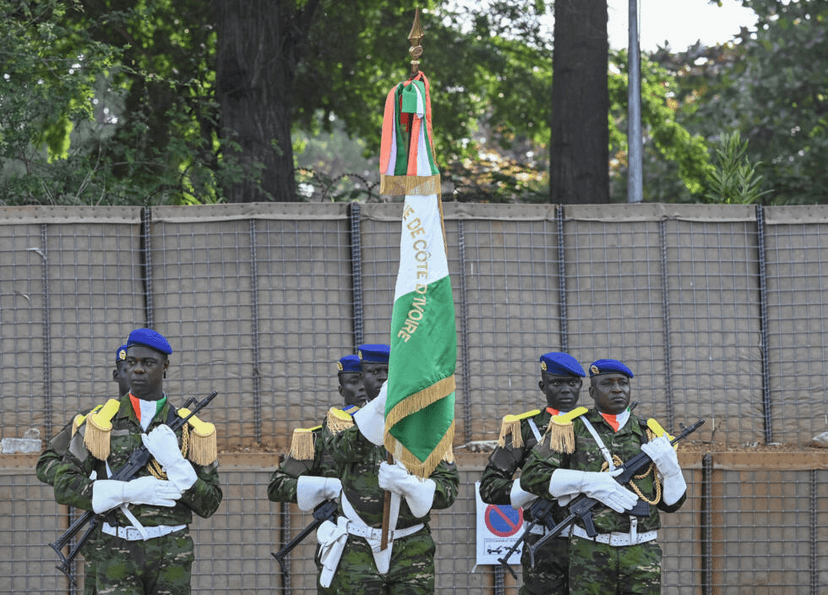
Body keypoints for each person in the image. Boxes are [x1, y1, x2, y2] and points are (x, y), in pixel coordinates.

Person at [52, 328, 222, 595]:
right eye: (132, 363)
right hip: (116, 551)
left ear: (165, 367)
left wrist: (176, 464)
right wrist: (126, 491)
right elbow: (64, 484)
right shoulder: (100, 423)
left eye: (148, 363)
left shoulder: (191, 429)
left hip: (172, 554)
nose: (138, 370)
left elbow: (210, 503)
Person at [520, 359, 688, 595]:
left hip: (641, 551)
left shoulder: (648, 432)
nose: (617, 389)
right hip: (590, 551)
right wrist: (588, 483)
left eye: (623, 383)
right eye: (608, 384)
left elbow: (673, 503)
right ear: (591, 391)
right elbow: (532, 476)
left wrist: (671, 469)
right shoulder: (570, 428)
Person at [319, 343, 460, 594]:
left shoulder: (428, 424)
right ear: (362, 378)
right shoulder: (342, 420)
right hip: (357, 547)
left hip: (412, 548)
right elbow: (342, 451)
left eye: (390, 372)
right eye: (375, 372)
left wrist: (411, 486)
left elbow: (448, 490)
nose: (383, 378)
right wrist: (378, 411)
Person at [479, 351, 586, 595]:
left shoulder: (594, 428)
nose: (566, 390)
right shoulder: (525, 429)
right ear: (543, 386)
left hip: (593, 542)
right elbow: (490, 486)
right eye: (557, 383)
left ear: (581, 386)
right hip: (544, 540)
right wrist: (529, 489)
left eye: (572, 383)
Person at [36, 343, 132, 595]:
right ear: (116, 375)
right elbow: (46, 463)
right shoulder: (91, 420)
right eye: (127, 369)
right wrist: (85, 484)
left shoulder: (169, 423)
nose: (135, 375)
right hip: (103, 543)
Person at [267, 353, 366, 593]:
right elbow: (278, 486)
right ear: (341, 388)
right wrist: (326, 488)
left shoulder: (397, 434)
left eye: (368, 379)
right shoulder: (317, 437)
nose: (362, 387)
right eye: (354, 381)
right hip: (340, 544)